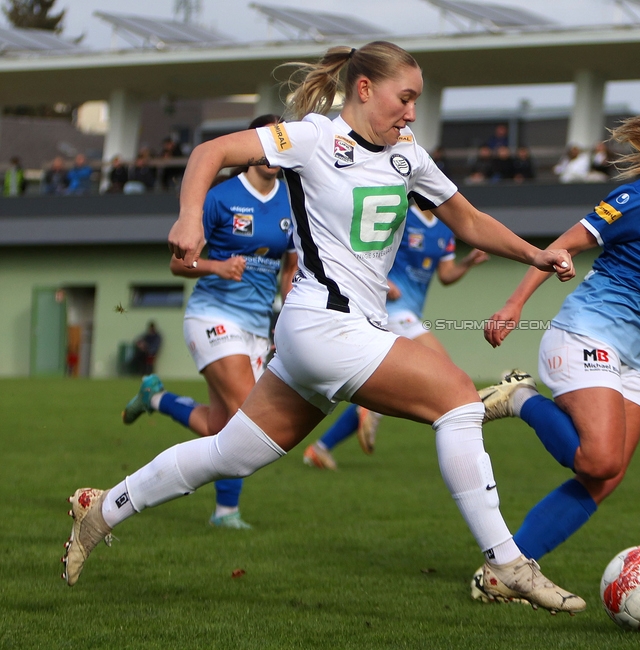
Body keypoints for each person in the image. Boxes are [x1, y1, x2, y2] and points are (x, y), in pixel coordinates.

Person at [62, 40, 584, 614]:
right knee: (457, 400)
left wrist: (533, 254)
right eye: (404, 98)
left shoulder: (407, 152)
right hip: (322, 324)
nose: (411, 112)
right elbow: (209, 152)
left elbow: (469, 220)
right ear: (364, 90)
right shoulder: (311, 137)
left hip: (332, 334)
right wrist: (189, 217)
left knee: (230, 454)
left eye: (416, 101)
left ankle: (102, 509)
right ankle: (507, 562)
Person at [471, 101, 640, 601]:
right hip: (584, 336)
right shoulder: (638, 198)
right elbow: (558, 249)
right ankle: (520, 398)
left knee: (605, 478)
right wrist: (514, 304)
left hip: (632, 359)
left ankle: (505, 574)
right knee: (596, 460)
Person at [121, 114, 297, 529]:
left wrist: (288, 313)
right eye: (267, 143)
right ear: (251, 148)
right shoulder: (220, 197)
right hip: (212, 315)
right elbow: (178, 264)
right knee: (247, 421)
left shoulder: (293, 201)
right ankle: (225, 513)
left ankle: (157, 399)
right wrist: (217, 267)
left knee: (220, 425)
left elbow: (290, 269)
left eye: (281, 144)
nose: (274, 153)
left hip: (257, 325)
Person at [303, 202, 489, 470]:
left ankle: (323, 446)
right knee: (446, 371)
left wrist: (468, 262)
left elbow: (446, 275)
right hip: (388, 309)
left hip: (409, 312)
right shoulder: (400, 217)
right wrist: (383, 281)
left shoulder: (445, 230)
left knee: (390, 377)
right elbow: (364, 249)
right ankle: (466, 462)